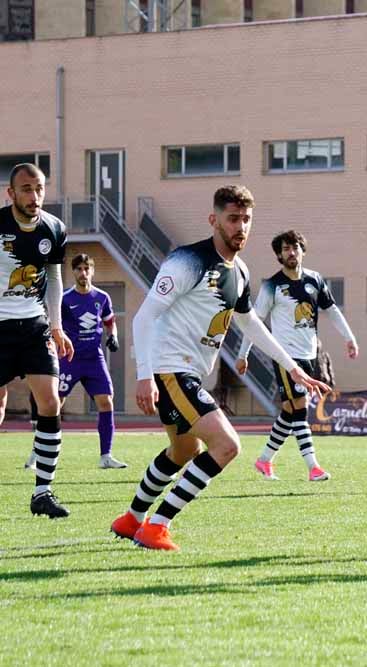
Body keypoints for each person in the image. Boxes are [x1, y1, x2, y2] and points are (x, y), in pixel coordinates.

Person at [109, 186, 329, 551]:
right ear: (214, 220)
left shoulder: (240, 271)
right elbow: (144, 316)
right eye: (232, 219)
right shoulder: (187, 261)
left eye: (246, 220)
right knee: (226, 445)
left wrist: (293, 368)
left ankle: (131, 519)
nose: (240, 227)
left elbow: (251, 324)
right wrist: (145, 374)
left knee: (183, 452)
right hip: (169, 370)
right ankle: (156, 527)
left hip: (188, 373)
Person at [236, 230, 358, 481]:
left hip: (309, 354)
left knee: (291, 412)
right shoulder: (272, 285)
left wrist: (349, 337)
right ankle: (313, 467)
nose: (291, 252)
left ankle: (264, 460)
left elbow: (332, 310)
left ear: (303, 250)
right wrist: (242, 354)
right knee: (300, 409)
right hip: (285, 357)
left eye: (295, 247)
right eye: (285, 249)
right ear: (279, 255)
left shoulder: (315, 280)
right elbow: (254, 323)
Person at [0, 164, 74, 518]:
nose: (34, 196)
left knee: (49, 401)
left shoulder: (55, 228)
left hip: (34, 327)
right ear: (10, 193)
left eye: (39, 188)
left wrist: (56, 326)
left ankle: (42, 492)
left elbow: (56, 279)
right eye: (26, 189)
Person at [23, 253, 126, 470]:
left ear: (92, 271)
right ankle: (35, 454)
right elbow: (53, 323)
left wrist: (113, 336)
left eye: (86, 268)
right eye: (78, 269)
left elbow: (110, 321)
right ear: (74, 272)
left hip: (94, 359)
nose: (83, 273)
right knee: (53, 406)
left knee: (106, 402)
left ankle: (106, 456)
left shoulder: (102, 297)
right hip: (69, 359)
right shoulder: (65, 299)